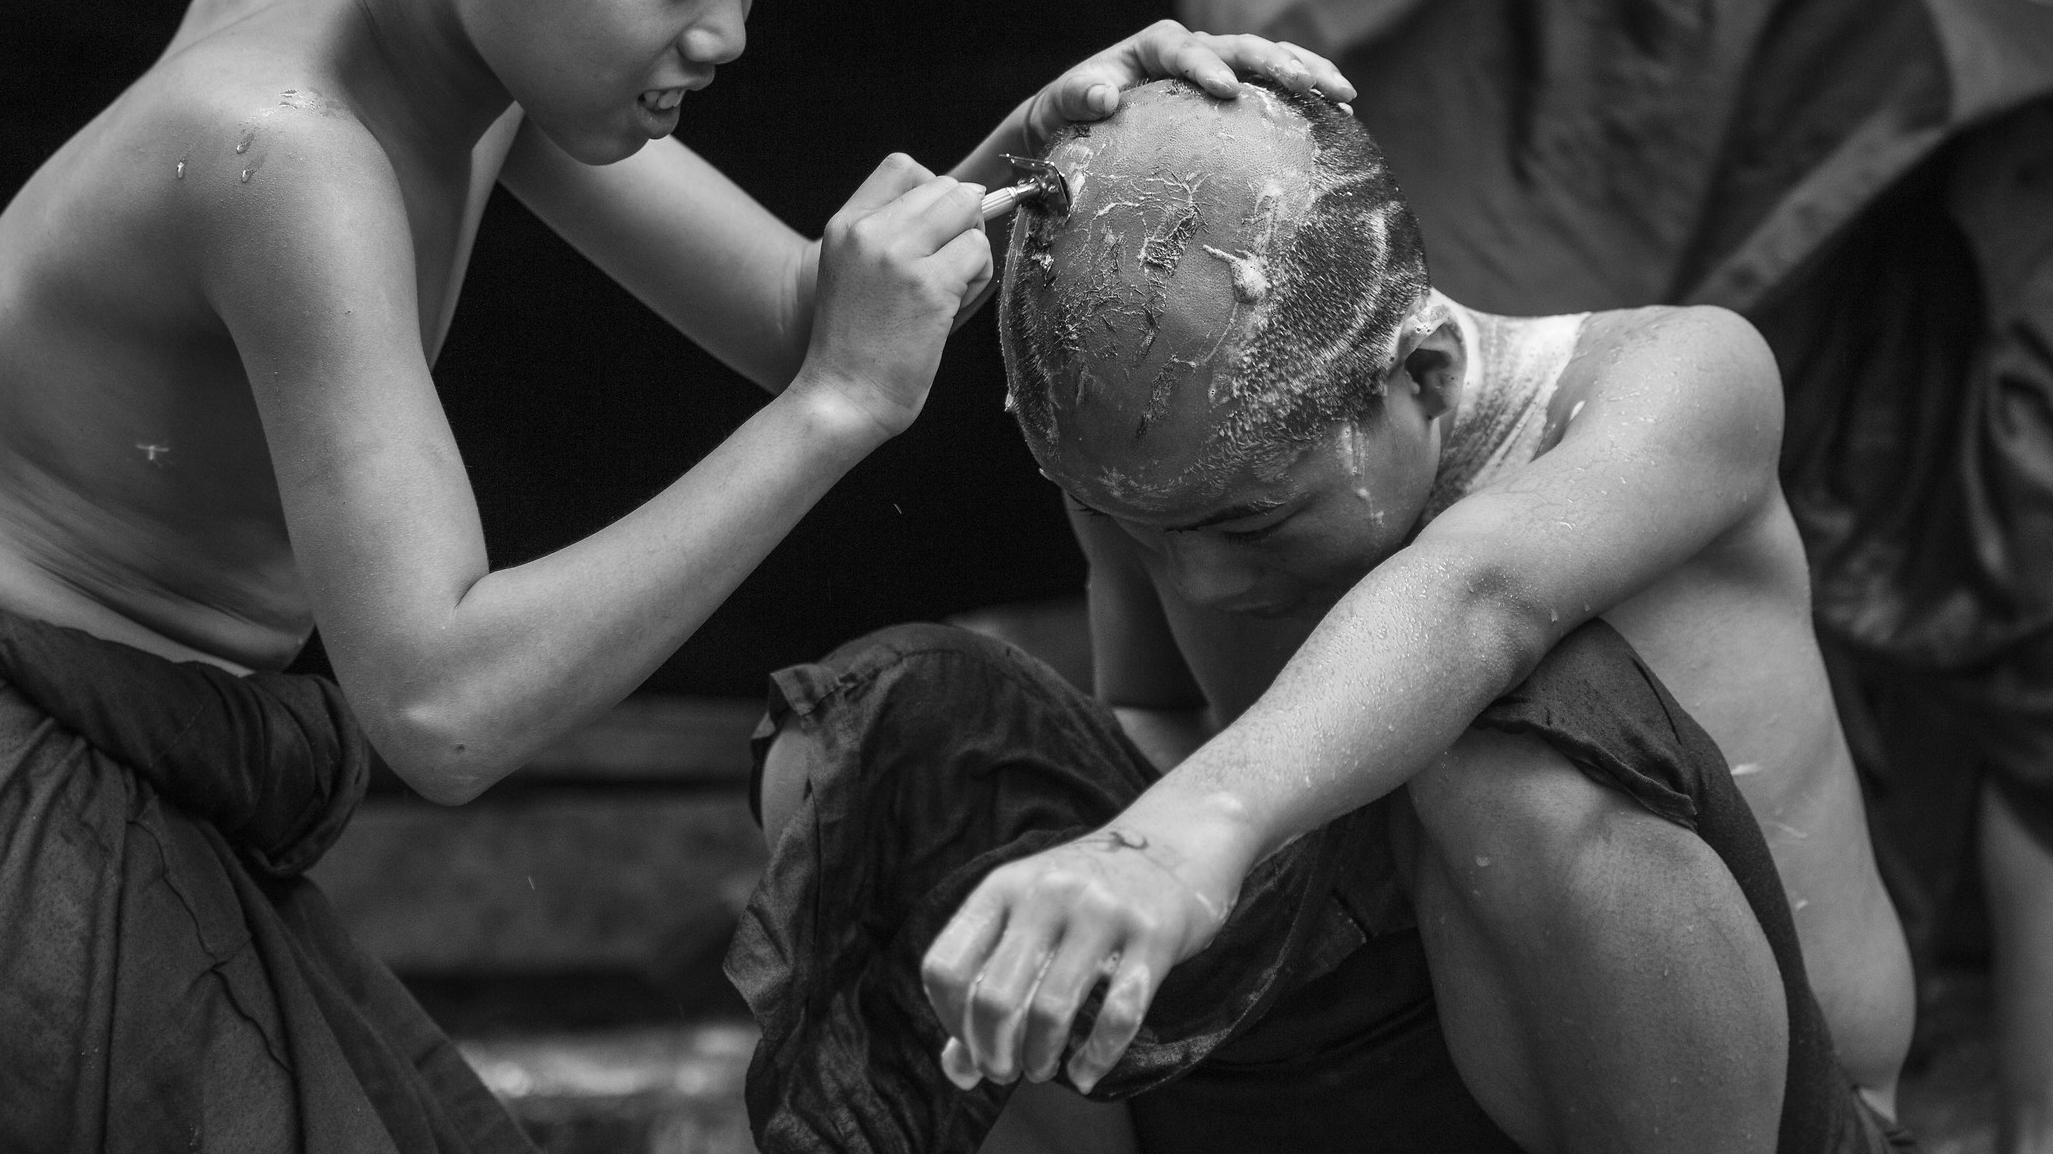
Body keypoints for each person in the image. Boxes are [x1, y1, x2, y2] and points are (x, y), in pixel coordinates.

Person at [0, 0, 1345, 1150]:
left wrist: (1057, 142)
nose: (727, 32)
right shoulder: (287, 156)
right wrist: (836, 413)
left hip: (139, 767)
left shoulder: (449, 38)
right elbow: (443, 708)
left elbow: (803, 305)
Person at [732, 80, 1917, 1153]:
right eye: (1145, 535)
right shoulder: (1153, 456)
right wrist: (1060, 871)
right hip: (1377, 1067)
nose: (1199, 585)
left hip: (1763, 1115)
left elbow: (1477, 599)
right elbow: (1156, 734)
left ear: (1428, 377)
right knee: (883, 748)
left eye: (1249, 527)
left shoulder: (1678, 381)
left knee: (1504, 726)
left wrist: (1166, 843)